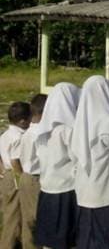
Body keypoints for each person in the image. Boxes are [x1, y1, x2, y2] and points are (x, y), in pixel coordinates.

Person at [70, 75, 109, 249]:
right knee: (103, 239)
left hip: (83, 190)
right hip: (104, 192)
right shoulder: (107, 122)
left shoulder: (80, 121)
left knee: (86, 238)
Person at [33, 83, 81, 249]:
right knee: (65, 239)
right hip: (66, 189)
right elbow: (77, 158)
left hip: (47, 187)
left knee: (50, 239)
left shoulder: (43, 127)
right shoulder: (68, 129)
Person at [0, 101, 31, 248]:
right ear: (23, 121)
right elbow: (15, 160)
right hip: (15, 178)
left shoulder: (6, 134)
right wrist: (22, 178)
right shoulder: (19, 137)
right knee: (14, 215)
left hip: (6, 175)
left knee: (11, 212)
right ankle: (8, 244)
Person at [19, 93, 48, 249]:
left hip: (26, 176)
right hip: (36, 178)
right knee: (37, 219)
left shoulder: (29, 132)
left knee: (28, 220)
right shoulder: (40, 133)